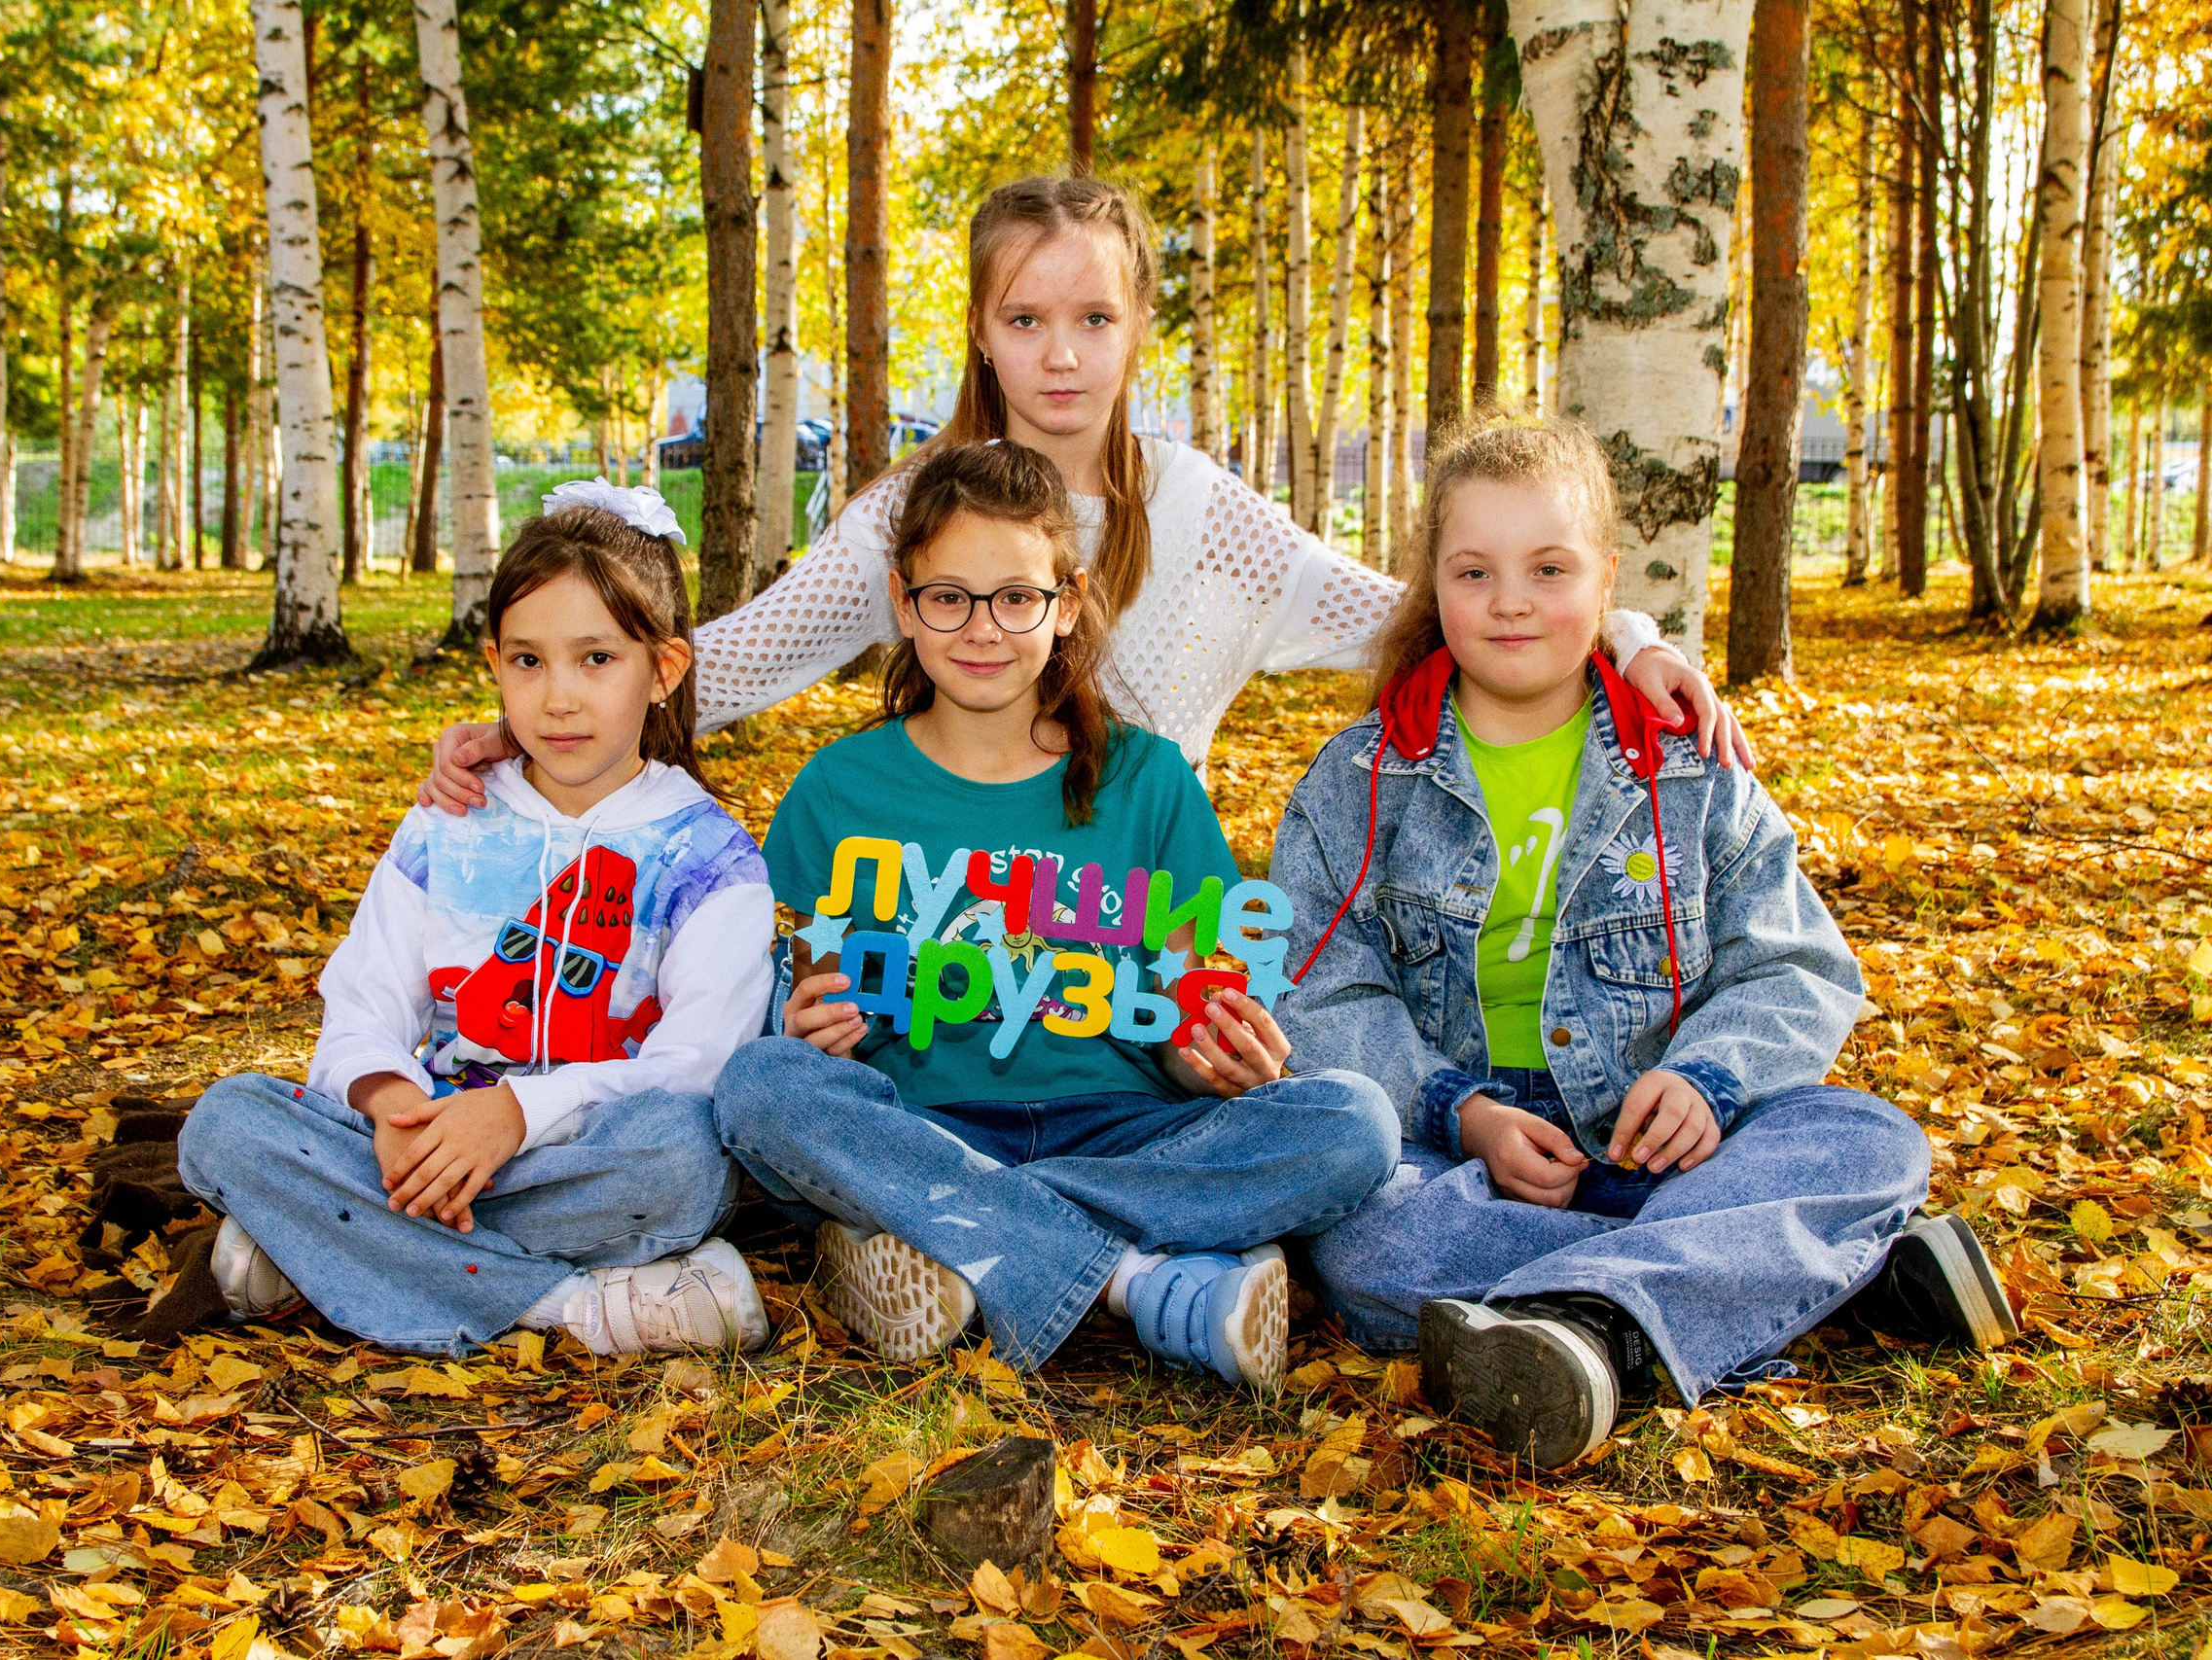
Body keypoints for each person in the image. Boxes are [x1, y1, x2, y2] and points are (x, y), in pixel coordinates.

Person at [416, 175, 1748, 814]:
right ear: (985, 333)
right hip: (954, 922)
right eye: (1027, 316)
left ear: (1136, 330)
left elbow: (1420, 613)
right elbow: (736, 655)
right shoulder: (906, 513)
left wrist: (1626, 637)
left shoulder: (1205, 511)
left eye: (1094, 316)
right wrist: (534, 715)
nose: (1062, 353)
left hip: (1142, 947)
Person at [1272, 415, 2015, 1466]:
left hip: (1666, 1153)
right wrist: (1461, 1112)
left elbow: (1793, 963)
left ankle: (1592, 1324)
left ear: (1608, 577)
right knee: (1361, 1239)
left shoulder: (1688, 763)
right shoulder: (1356, 783)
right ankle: (1806, 1282)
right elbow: (1319, 990)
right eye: (1473, 571)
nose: (1511, 600)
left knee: (1869, 1140)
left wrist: (1708, 1079)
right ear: (1432, 585)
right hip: (1457, 1160)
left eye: (1549, 567)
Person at [712, 441, 1397, 1391]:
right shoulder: (838, 789)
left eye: (1015, 598)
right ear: (905, 606)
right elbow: (786, 991)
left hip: (1126, 1132)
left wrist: (1212, 1061)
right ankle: (1138, 1278)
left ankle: (945, 1238)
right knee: (759, 1085)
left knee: (1354, 1121)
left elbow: (1191, 1001)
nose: (981, 628)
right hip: (922, 1122)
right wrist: (806, 1027)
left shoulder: (1147, 780)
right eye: (948, 597)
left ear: (1065, 603)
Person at [177, 485, 776, 1358]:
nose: (559, 697)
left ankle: (326, 1250)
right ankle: (572, 1305)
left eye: (597, 659)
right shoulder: (448, 821)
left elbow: (694, 1065)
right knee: (226, 1124)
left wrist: (514, 1116)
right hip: (426, 1134)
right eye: (528, 661)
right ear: (493, 663)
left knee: (683, 1159)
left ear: (665, 670)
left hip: (586, 1153)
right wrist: (392, 1108)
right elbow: (365, 997)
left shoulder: (708, 857)